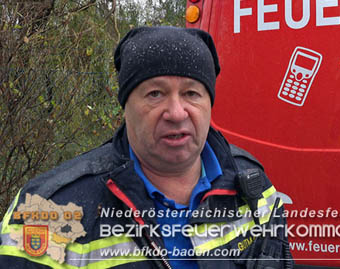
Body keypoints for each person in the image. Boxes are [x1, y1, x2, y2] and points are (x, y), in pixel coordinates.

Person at [0, 26, 293, 268]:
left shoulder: (252, 184)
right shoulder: (45, 210)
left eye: (192, 93)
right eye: (155, 94)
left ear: (209, 104)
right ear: (126, 106)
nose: (177, 112)